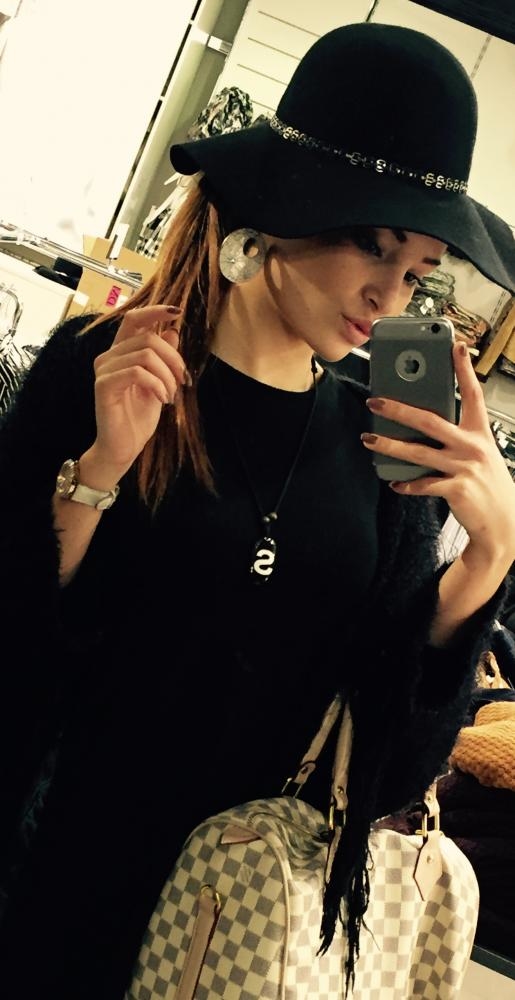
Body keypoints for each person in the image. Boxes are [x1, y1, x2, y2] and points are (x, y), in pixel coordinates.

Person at [1, 21, 515, 1000]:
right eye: (369, 243)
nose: (388, 294)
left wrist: (484, 560)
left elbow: (388, 764)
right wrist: (100, 470)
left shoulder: (379, 438)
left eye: (414, 272)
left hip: (247, 924)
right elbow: (17, 645)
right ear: (282, 210)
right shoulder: (105, 368)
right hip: (56, 882)